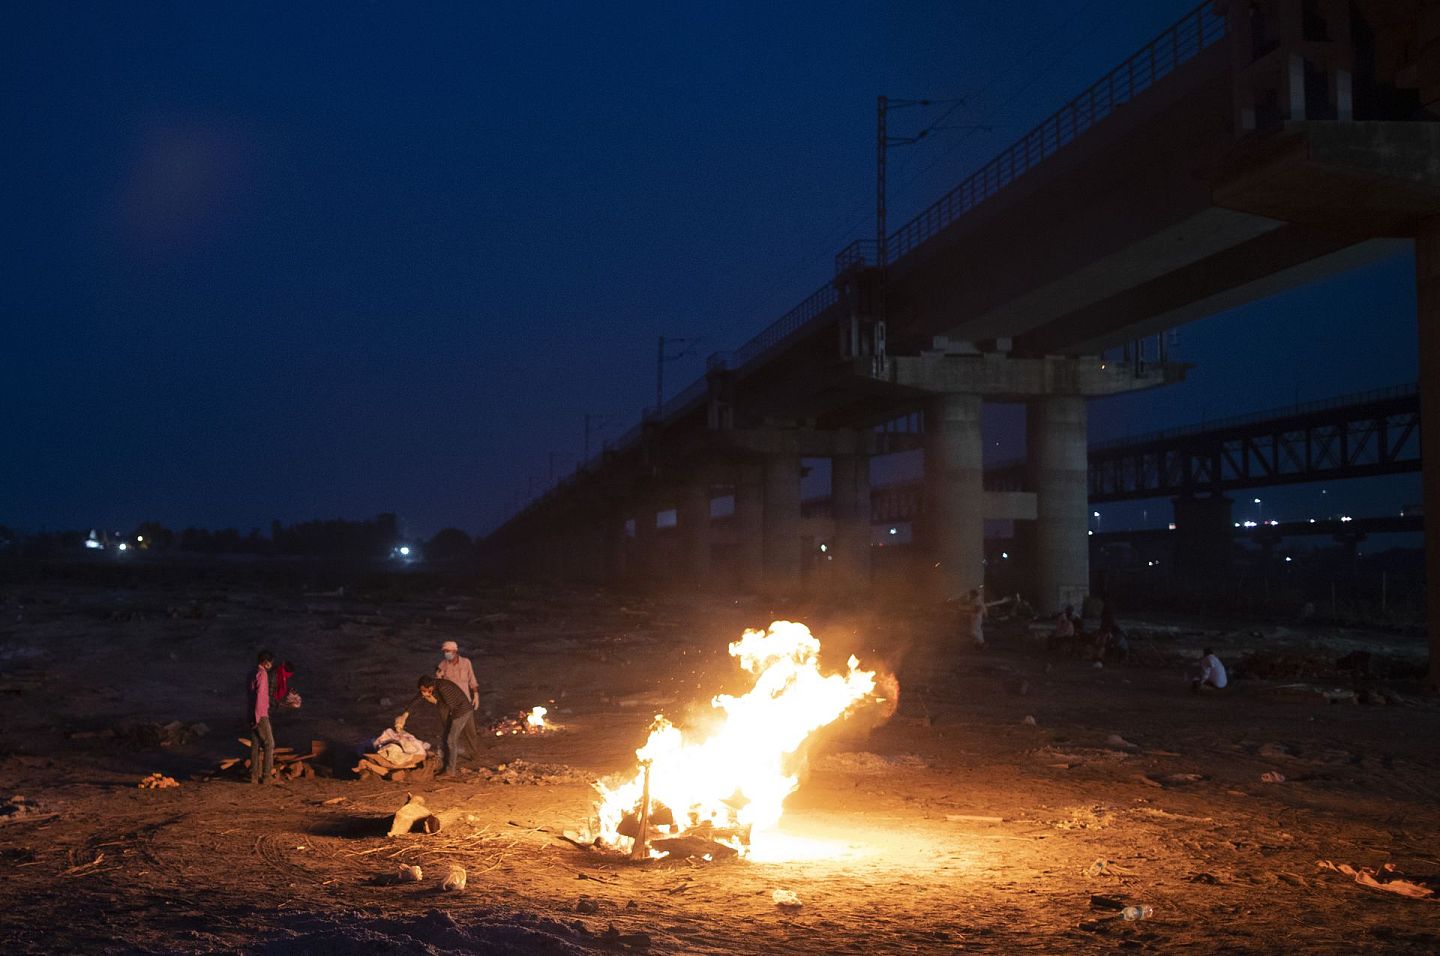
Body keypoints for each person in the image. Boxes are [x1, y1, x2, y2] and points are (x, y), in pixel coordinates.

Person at [397, 676, 475, 776]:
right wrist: (405, 714)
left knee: (451, 740)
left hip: (461, 711)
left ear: (430, 687)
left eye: (424, 690)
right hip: (455, 711)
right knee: (447, 738)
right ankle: (446, 767)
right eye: (421, 690)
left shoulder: (443, 688)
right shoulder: (431, 688)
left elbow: (450, 706)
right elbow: (416, 699)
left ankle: (450, 771)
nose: (423, 693)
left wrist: (435, 701)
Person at [436, 639, 484, 754]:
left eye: (447, 651)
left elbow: (472, 678)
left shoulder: (466, 662)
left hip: (465, 702)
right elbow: (439, 685)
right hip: (450, 703)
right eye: (444, 651)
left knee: (470, 730)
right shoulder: (442, 665)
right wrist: (439, 677)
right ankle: (453, 753)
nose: (445, 653)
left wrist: (476, 694)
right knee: (450, 730)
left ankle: (473, 754)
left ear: (454, 651)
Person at [247, 650, 276, 784]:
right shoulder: (262, 674)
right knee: (269, 743)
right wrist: (258, 716)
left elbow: (251, 695)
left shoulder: (252, 672)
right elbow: (260, 696)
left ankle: (254, 776)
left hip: (251, 712)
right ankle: (267, 776)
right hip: (261, 714)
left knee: (255, 745)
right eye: (270, 662)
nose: (271, 665)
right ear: (265, 662)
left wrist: (252, 716)